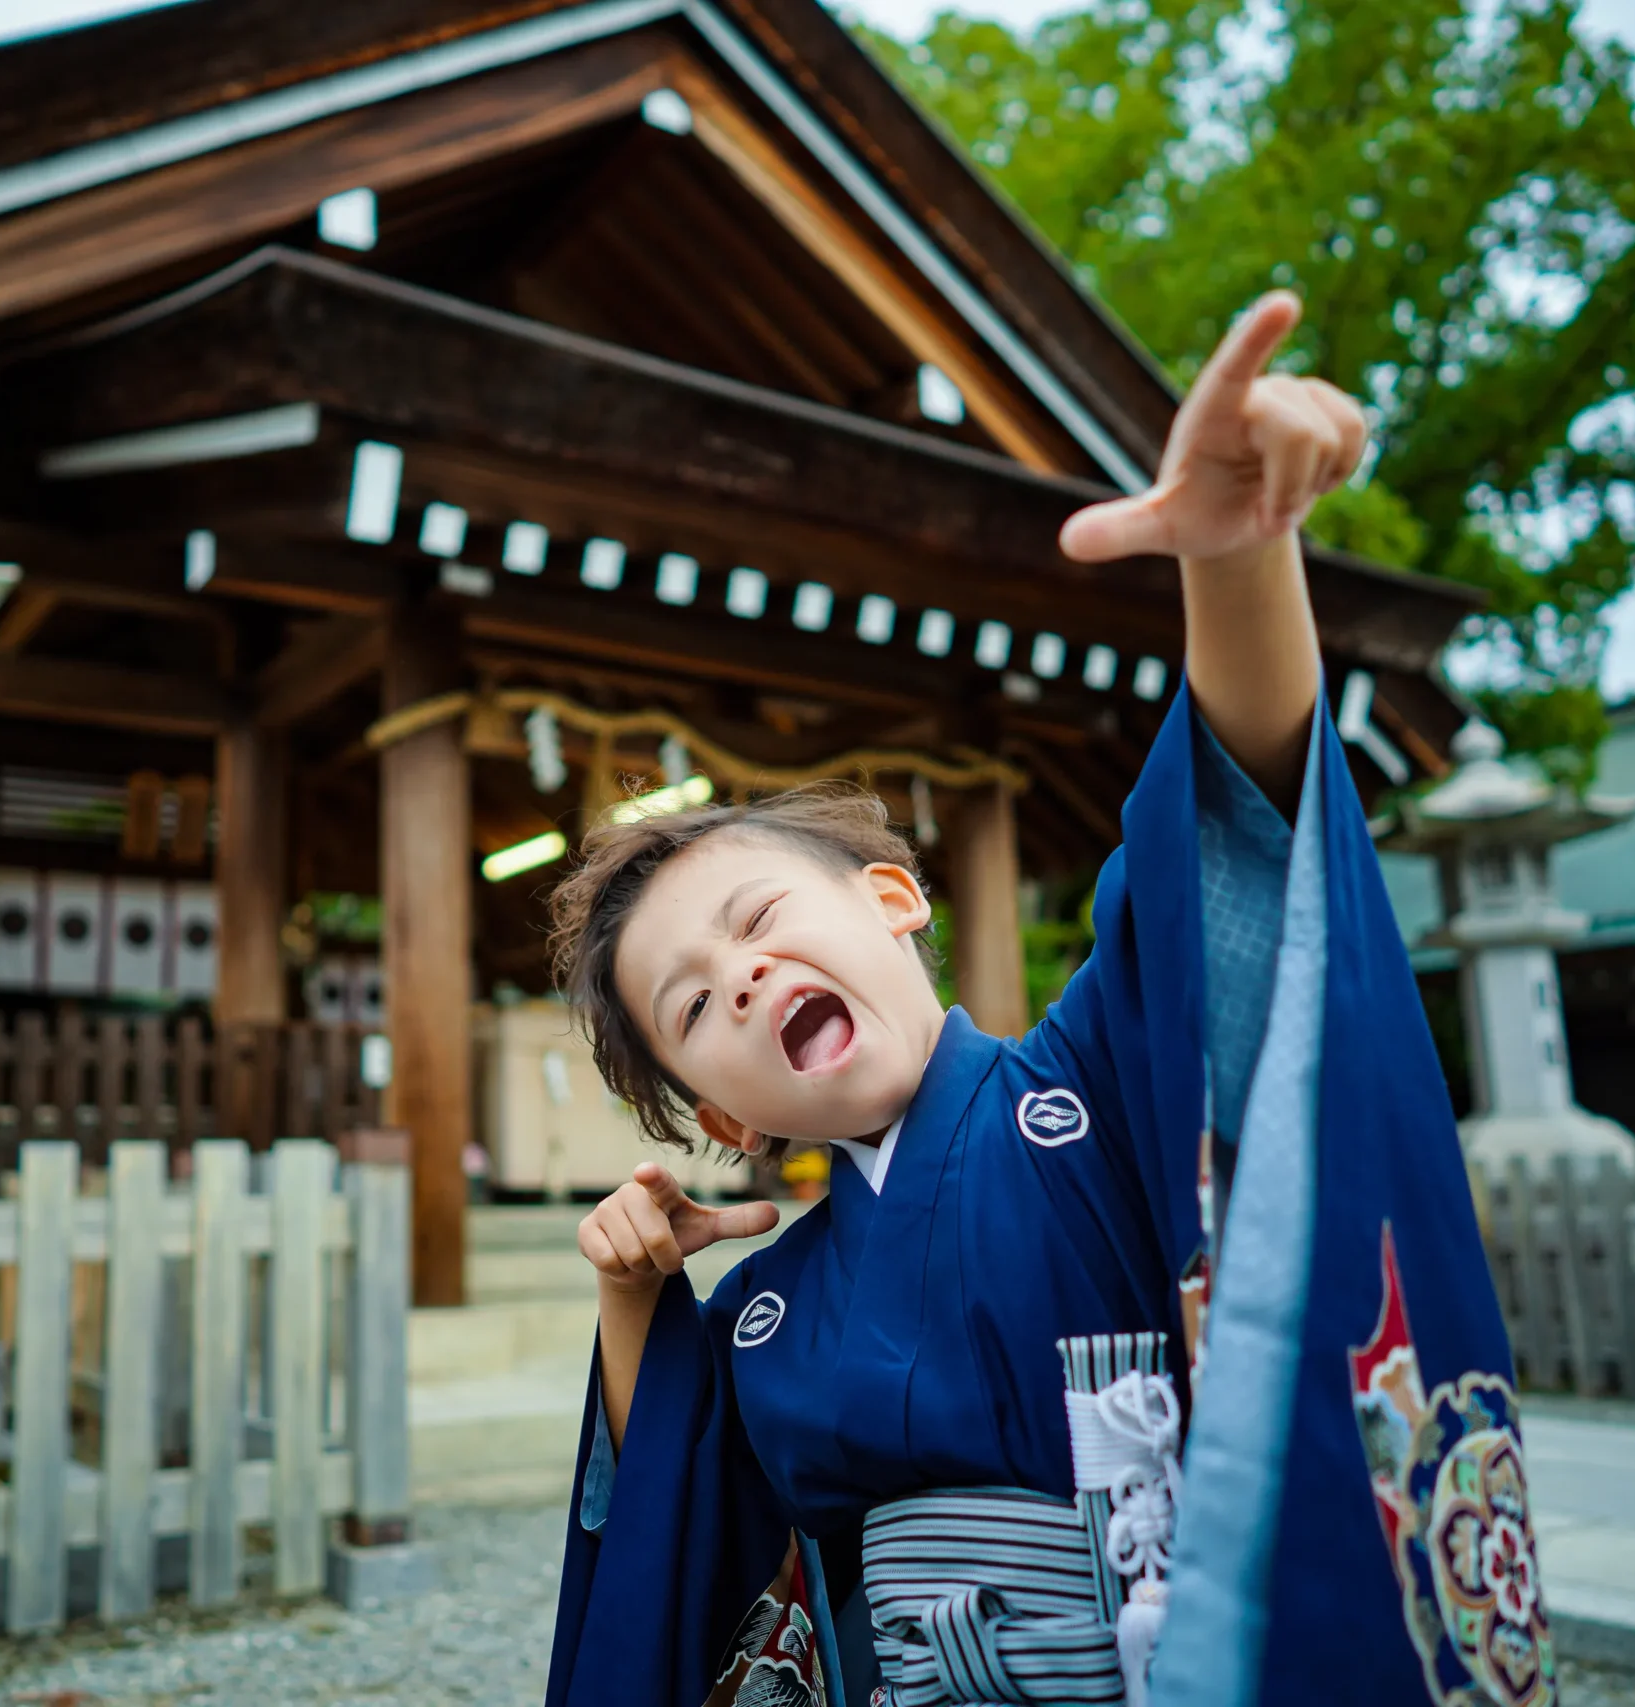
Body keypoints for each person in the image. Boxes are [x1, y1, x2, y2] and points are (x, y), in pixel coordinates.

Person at [543, 295, 1542, 1707]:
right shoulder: (765, 1310)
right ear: (721, 1109)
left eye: (761, 918)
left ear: (895, 901)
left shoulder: (1097, 1087)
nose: (746, 973)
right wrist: (633, 1291)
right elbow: (676, 1550)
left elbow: (1230, 838)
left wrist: (1240, 553)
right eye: (696, 1001)